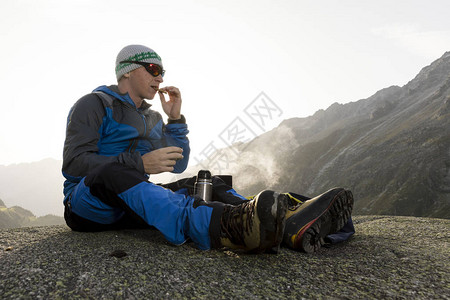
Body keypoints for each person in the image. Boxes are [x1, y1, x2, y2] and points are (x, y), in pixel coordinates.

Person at [62, 44, 353, 254]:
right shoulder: (94, 104)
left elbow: (176, 163)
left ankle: (278, 221)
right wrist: (139, 164)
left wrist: (175, 119)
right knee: (114, 173)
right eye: (153, 69)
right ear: (127, 71)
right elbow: (75, 163)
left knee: (204, 182)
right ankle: (226, 227)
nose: (160, 78)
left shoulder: (150, 117)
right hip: (87, 204)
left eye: (162, 71)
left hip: (128, 202)